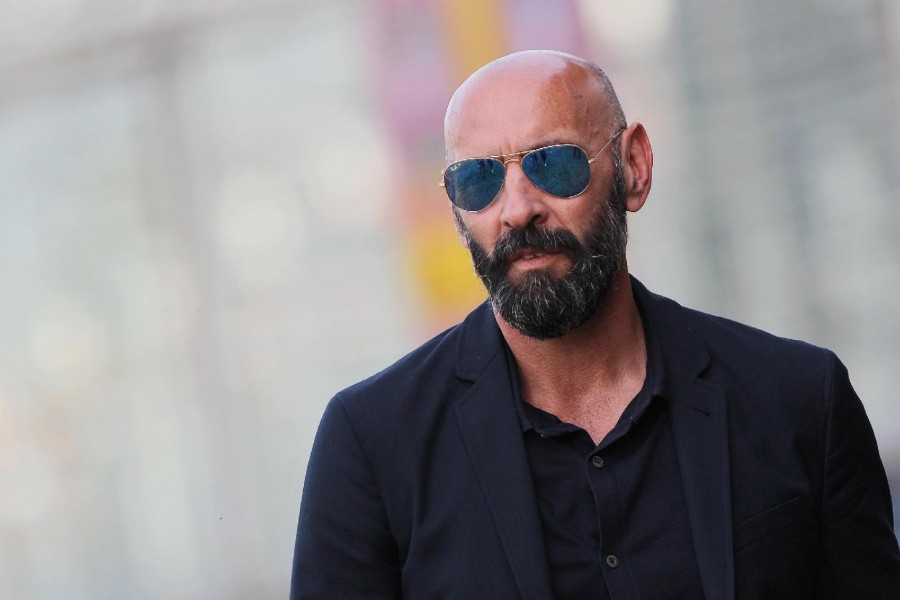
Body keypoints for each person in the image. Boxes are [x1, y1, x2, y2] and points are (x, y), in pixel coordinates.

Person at [290, 50, 900, 599]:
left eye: (553, 164)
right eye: (478, 180)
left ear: (634, 165)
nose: (517, 209)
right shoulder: (372, 446)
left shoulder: (798, 398)